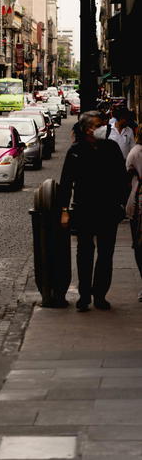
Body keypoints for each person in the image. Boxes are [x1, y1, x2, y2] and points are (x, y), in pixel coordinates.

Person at [59, 110, 128, 311]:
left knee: (106, 255)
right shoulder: (76, 151)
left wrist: (121, 204)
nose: (104, 127)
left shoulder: (111, 148)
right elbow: (66, 183)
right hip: (84, 209)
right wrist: (64, 210)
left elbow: (121, 179)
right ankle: (84, 295)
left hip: (108, 210)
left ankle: (100, 295)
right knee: (85, 254)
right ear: (88, 129)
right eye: (99, 124)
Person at [126, 132, 142, 300]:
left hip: (137, 204)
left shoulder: (135, 152)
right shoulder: (136, 152)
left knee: (139, 246)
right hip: (138, 203)